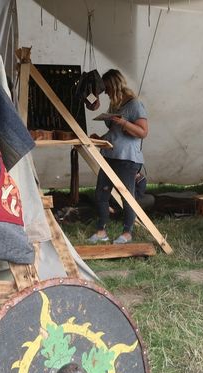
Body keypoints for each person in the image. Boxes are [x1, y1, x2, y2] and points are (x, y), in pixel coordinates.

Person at [87, 69, 148, 244]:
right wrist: (100, 139)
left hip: (127, 158)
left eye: (107, 89)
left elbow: (143, 132)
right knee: (101, 193)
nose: (106, 93)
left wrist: (124, 122)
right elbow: (115, 133)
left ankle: (127, 233)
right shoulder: (115, 104)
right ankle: (101, 231)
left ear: (114, 85)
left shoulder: (134, 104)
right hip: (109, 155)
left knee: (126, 195)